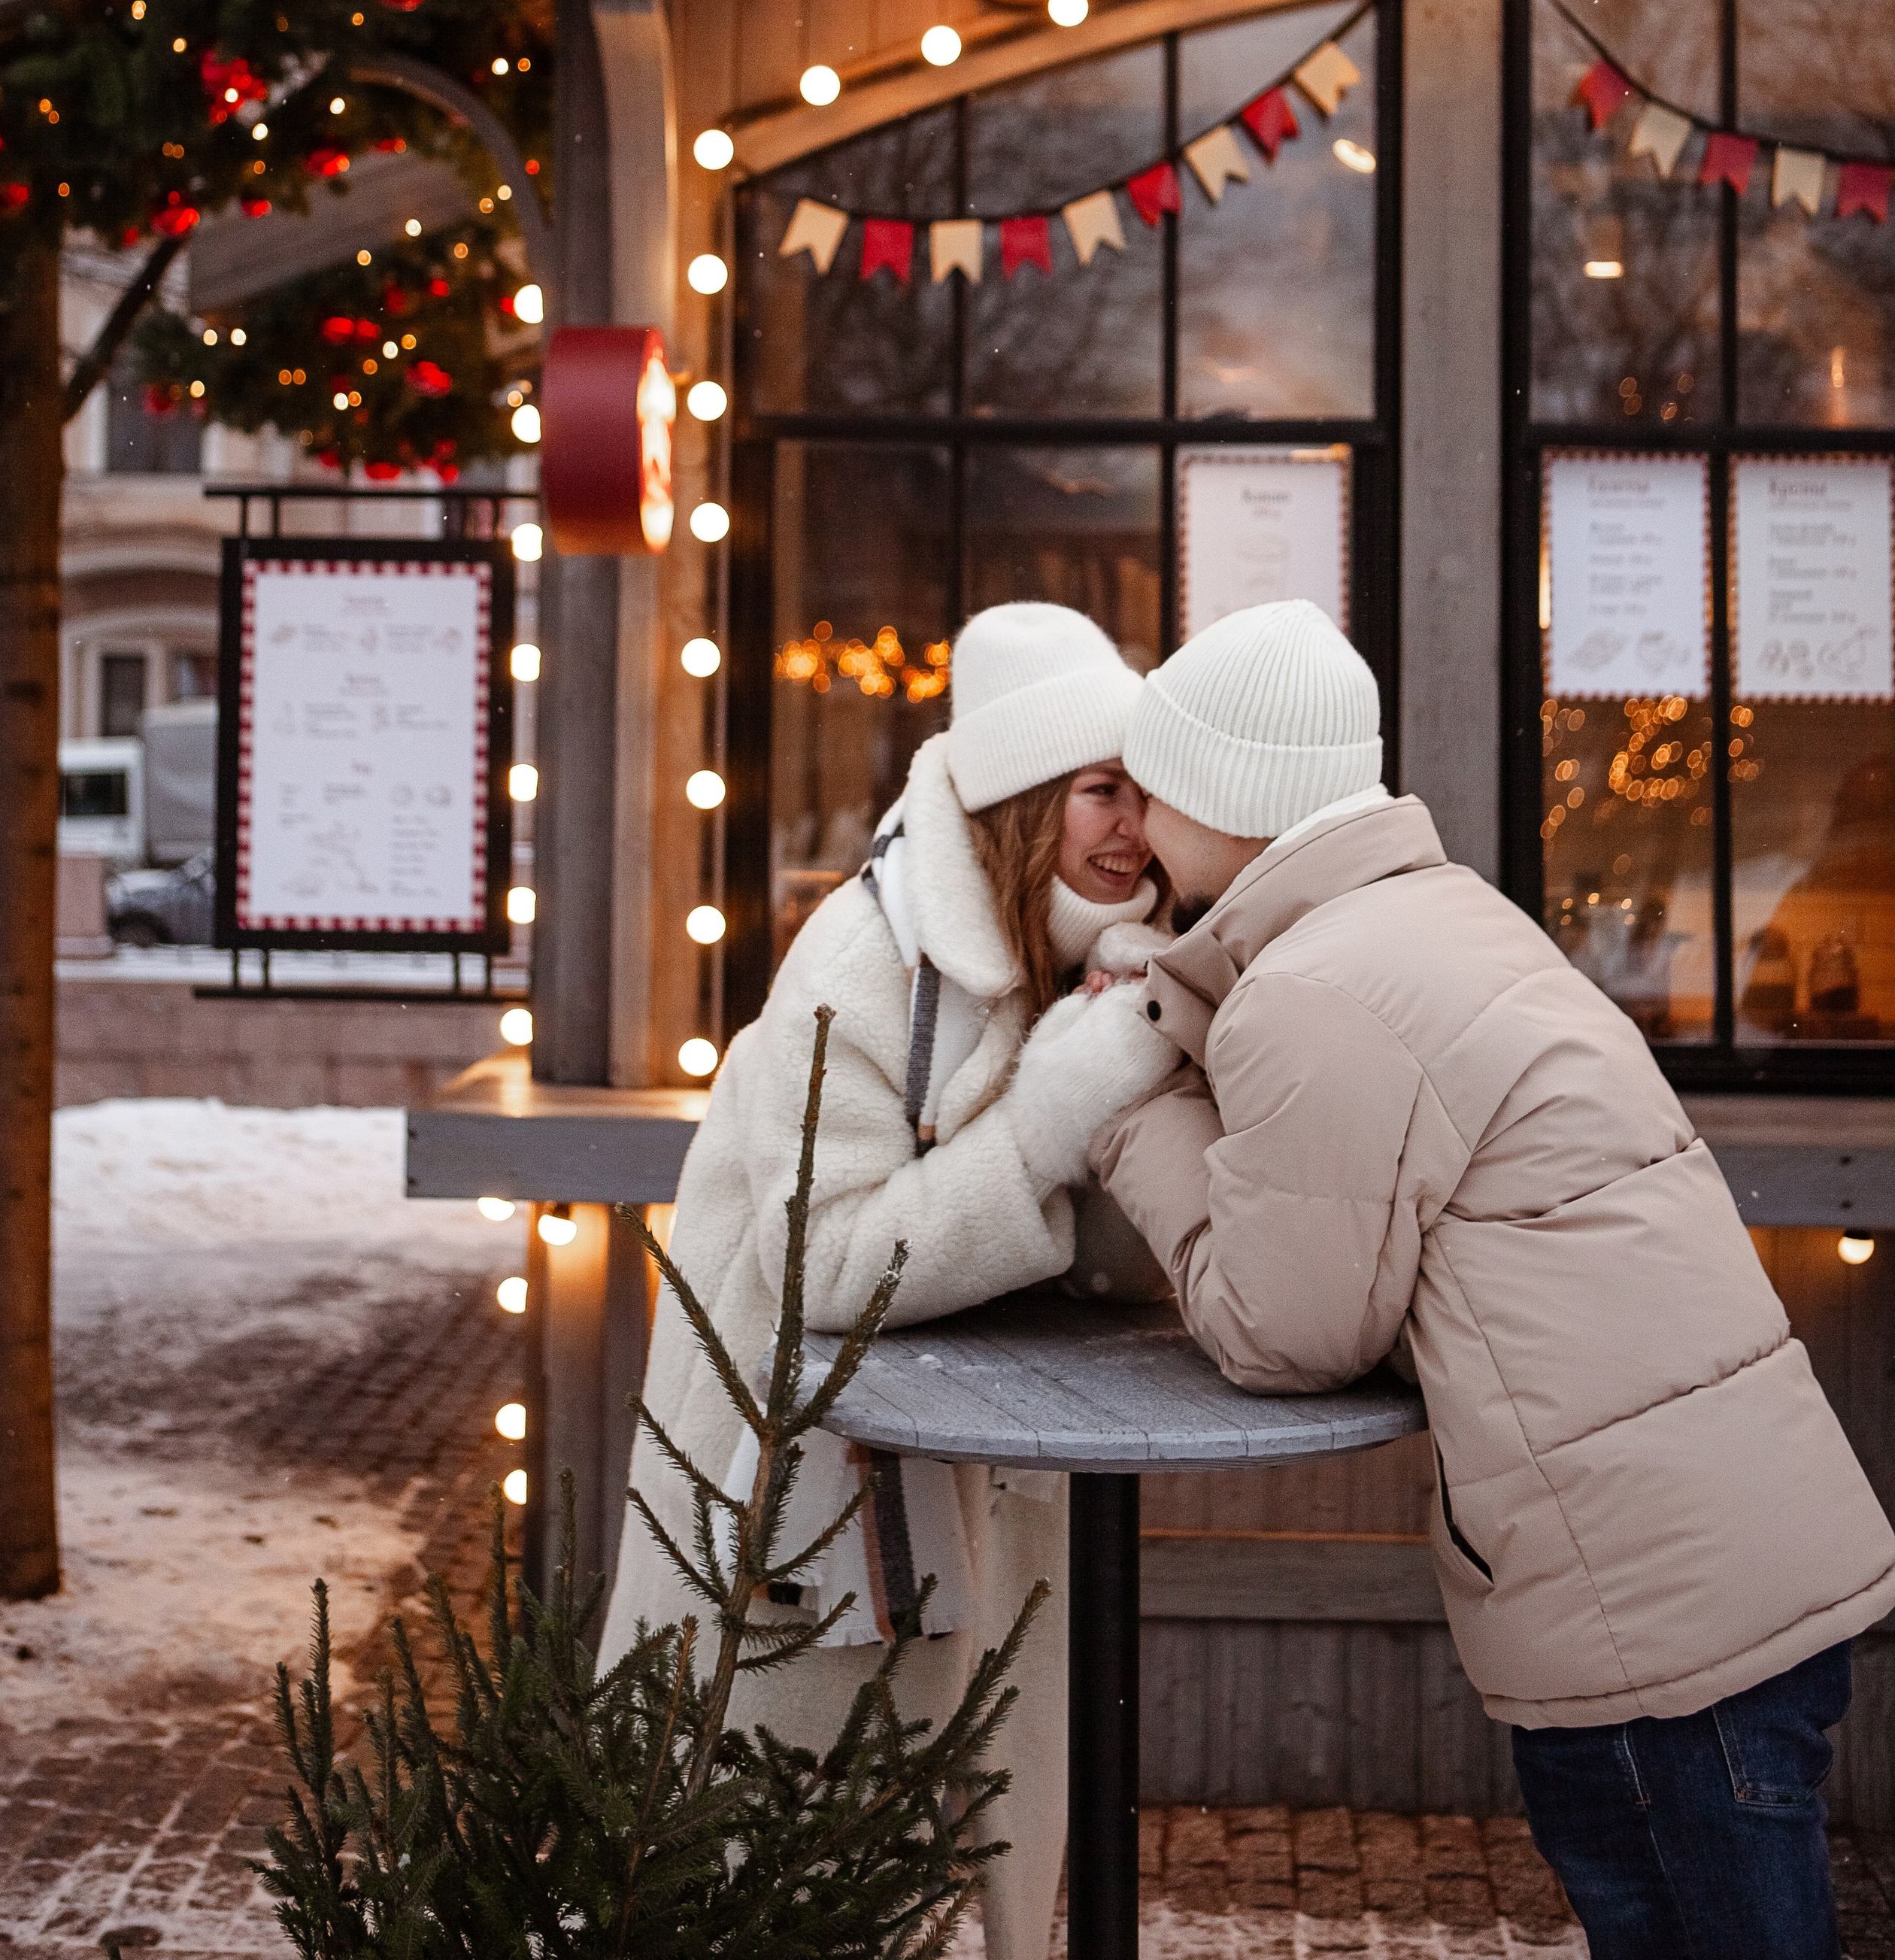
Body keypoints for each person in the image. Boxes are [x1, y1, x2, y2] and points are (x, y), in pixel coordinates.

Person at [1087, 597, 1895, 1960]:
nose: (1139, 825)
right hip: (1721, 1564)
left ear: (1224, 799)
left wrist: (1121, 1112)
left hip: (1652, 1627)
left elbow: (1280, 1330)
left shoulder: (1319, 993)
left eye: (1154, 787)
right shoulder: (1432, 924)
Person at [603, 600, 1181, 1960]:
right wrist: (1047, 1125)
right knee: (792, 1866)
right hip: (797, 1509)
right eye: (1103, 790)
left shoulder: (1087, 959)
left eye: (1146, 793)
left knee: (981, 1843)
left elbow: (1093, 1255)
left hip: (991, 1474)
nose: (1134, 828)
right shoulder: (863, 970)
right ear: (1023, 800)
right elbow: (831, 1266)